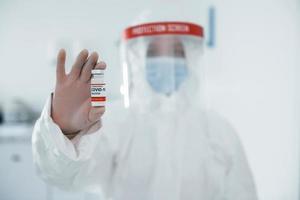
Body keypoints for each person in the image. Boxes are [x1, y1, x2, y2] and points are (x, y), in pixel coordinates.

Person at [32, 21, 258, 200]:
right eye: (155, 53)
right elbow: (66, 178)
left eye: (176, 52)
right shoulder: (114, 122)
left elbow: (242, 193)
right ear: (137, 61)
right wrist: (66, 132)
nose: (167, 62)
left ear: (190, 59)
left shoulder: (219, 131)